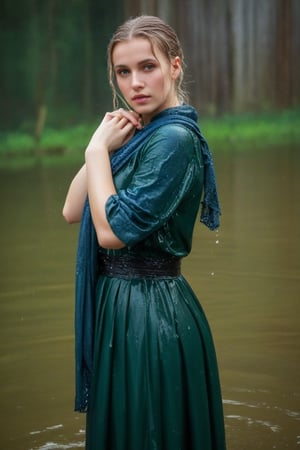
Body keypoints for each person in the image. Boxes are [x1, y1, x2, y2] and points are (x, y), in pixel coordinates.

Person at [63, 15, 226, 450]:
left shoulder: (173, 139)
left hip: (151, 312)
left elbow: (112, 231)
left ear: (175, 65)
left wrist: (96, 150)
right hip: (122, 303)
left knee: (151, 430)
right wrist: (103, 144)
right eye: (123, 71)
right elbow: (72, 209)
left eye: (147, 66)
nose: (135, 82)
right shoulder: (139, 135)